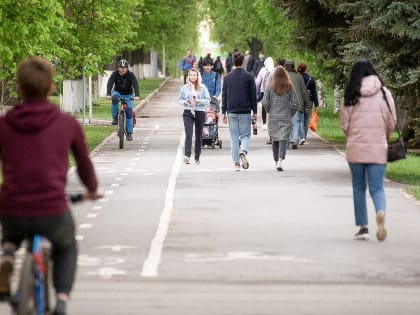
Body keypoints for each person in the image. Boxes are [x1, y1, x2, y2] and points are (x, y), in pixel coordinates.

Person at [0, 56, 101, 315]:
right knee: (67, 247)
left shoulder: (3, 125)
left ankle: (8, 256)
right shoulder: (66, 124)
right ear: (51, 88)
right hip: (52, 211)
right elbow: (84, 165)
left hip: (13, 208)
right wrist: (92, 189)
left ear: (19, 88)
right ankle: (63, 301)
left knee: (10, 233)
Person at [340, 59, 396, 241]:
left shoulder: (351, 95)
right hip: (378, 148)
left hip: (355, 148)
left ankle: (363, 228)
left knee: (358, 187)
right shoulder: (384, 94)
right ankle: (380, 212)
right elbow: (391, 122)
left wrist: (352, 136)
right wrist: (384, 137)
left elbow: (344, 125)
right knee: (377, 188)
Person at [222, 51, 257, 170]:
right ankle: (244, 151)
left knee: (234, 137)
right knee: (245, 135)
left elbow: (224, 95)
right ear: (243, 61)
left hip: (231, 111)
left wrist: (223, 112)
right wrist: (255, 111)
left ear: (233, 61)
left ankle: (236, 163)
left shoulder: (227, 77)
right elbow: (253, 95)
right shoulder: (249, 76)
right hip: (245, 110)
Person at [262, 66, 298, 171]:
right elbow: (296, 102)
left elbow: (264, 101)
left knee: (275, 139)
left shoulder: (270, 87)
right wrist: (291, 112)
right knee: (283, 138)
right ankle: (281, 160)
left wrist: (269, 110)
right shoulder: (289, 86)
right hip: (286, 116)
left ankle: (276, 161)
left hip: (273, 116)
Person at [177, 68, 211, 165]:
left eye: (194, 75)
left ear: (197, 76)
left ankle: (197, 157)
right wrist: (185, 102)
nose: (193, 77)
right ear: (189, 76)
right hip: (188, 112)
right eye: (191, 75)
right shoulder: (184, 88)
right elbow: (179, 99)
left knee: (198, 136)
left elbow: (208, 100)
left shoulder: (203, 87)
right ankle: (187, 155)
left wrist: (199, 101)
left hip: (200, 112)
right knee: (188, 134)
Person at [106, 59, 140, 141]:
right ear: (118, 68)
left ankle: (129, 133)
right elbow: (110, 83)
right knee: (114, 99)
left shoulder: (131, 75)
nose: (122, 69)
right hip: (117, 93)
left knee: (129, 112)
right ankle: (115, 117)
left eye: (124, 68)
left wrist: (137, 95)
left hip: (128, 94)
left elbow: (135, 84)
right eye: (121, 67)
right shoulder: (114, 74)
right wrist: (108, 94)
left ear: (127, 68)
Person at [285, 60, 310, 148]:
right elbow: (304, 92)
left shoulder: (284, 76)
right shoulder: (299, 76)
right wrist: (307, 104)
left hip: (285, 103)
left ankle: (287, 140)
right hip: (298, 103)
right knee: (296, 122)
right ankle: (295, 140)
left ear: (286, 67)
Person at [297, 63, 319, 139]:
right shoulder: (311, 79)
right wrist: (317, 105)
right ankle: (303, 137)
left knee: (298, 118)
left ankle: (297, 136)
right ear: (306, 69)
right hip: (308, 101)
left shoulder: (296, 78)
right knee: (306, 119)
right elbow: (314, 92)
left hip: (298, 101)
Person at [255, 56, 274, 129]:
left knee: (264, 107)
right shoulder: (275, 70)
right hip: (273, 91)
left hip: (264, 91)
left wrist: (256, 88)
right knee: (273, 107)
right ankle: (272, 123)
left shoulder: (263, 70)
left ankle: (264, 124)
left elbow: (257, 82)